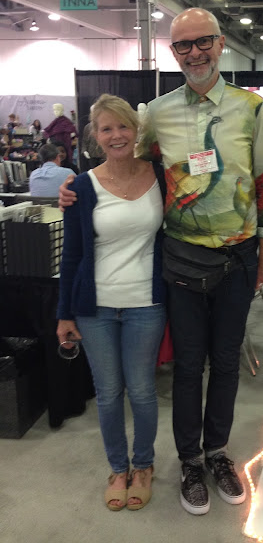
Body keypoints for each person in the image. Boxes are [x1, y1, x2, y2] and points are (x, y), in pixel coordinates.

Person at [60, 7, 263, 516]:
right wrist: (78, 185)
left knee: (226, 363)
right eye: (183, 45)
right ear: (173, 52)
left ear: (220, 44)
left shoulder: (251, 108)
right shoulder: (157, 113)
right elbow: (129, 165)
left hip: (239, 258)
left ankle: (218, 452)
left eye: (203, 42)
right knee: (187, 367)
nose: (194, 53)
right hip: (181, 262)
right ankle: (189, 462)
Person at [56, 94, 167, 512]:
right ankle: (118, 469)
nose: (116, 135)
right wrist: (64, 313)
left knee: (141, 391)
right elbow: (71, 254)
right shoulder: (80, 187)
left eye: (123, 126)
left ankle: (144, 466)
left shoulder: (161, 176)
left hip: (146, 304)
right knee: (107, 394)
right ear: (96, 136)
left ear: (136, 130)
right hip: (95, 307)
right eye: (107, 128)